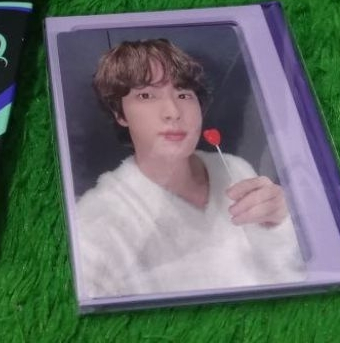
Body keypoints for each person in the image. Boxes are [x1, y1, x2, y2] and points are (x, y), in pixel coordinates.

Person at [75, 38, 305, 299]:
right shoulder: (97, 218)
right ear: (120, 114)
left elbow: (287, 275)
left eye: (183, 94)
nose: (173, 111)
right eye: (146, 95)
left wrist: (279, 224)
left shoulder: (234, 168)